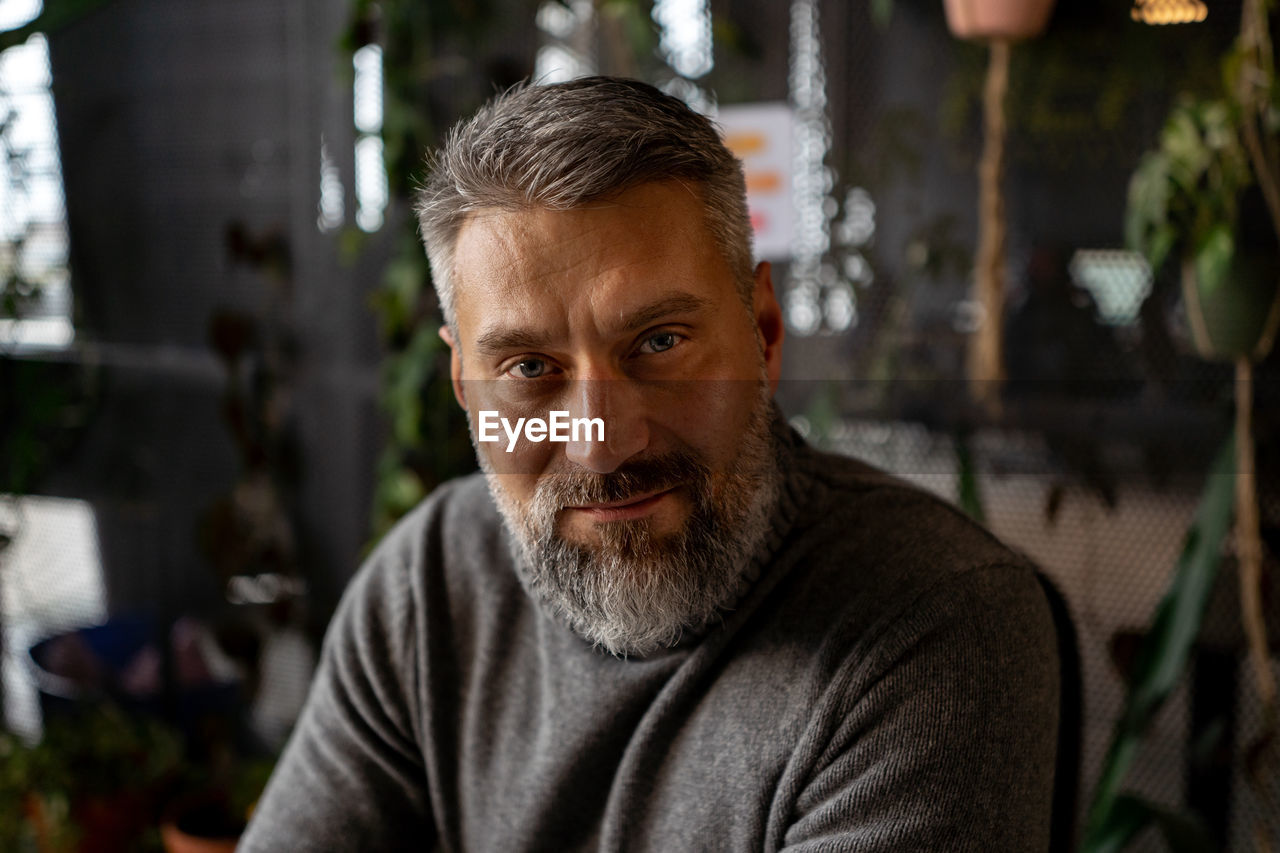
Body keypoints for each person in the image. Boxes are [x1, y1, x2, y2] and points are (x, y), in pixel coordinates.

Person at [241, 76, 1059, 852]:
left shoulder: (935, 622)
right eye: (528, 368)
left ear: (764, 335)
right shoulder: (427, 589)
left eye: (660, 343)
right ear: (465, 386)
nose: (602, 440)